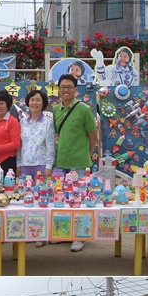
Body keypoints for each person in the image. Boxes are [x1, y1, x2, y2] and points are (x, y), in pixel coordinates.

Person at [53, 73, 98, 253]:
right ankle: (64, 234)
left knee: (79, 201)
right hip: (61, 163)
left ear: (75, 90)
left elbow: (93, 136)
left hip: (79, 164)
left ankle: (80, 236)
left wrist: (87, 155)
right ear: (58, 89)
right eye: (63, 87)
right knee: (62, 200)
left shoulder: (84, 110)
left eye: (69, 87)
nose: (66, 90)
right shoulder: (56, 110)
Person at [17, 89, 55, 248]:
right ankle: (30, 232)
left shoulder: (47, 121)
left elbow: (51, 145)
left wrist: (48, 165)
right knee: (27, 200)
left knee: (41, 201)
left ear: (43, 103)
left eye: (38, 100)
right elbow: (20, 146)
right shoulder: (22, 121)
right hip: (25, 166)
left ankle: (42, 234)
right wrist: (18, 164)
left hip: (41, 165)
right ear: (28, 102)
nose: (34, 103)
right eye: (32, 100)